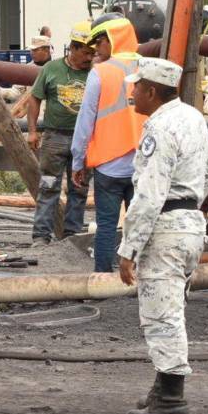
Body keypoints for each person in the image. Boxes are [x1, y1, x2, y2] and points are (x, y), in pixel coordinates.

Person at [117, 58, 208, 414]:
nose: (133, 92)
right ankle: (163, 389)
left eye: (137, 86)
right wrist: (190, 208)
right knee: (171, 308)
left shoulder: (158, 127)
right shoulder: (192, 117)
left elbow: (149, 192)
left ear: (152, 91)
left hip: (167, 227)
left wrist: (129, 248)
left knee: (162, 315)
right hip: (190, 223)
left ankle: (172, 401)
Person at [70, 14, 145, 272]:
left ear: (112, 39)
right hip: (143, 164)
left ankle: (103, 278)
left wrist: (78, 162)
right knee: (142, 227)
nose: (95, 49)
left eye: (99, 41)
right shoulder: (149, 69)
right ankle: (141, 277)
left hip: (108, 165)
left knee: (106, 225)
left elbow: (85, 122)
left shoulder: (100, 73)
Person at [27, 22, 94, 245]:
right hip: (54, 137)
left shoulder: (96, 73)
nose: (89, 57)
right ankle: (41, 236)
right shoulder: (51, 69)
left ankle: (71, 236)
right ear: (73, 49)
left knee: (79, 188)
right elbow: (35, 99)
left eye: (93, 53)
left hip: (84, 140)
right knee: (48, 186)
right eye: (86, 52)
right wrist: (33, 131)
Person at [0, 34, 52, 102]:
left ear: (46, 50)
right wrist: (1, 92)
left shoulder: (56, 68)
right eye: (31, 50)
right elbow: (16, 92)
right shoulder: (27, 69)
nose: (32, 53)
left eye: (35, 50)